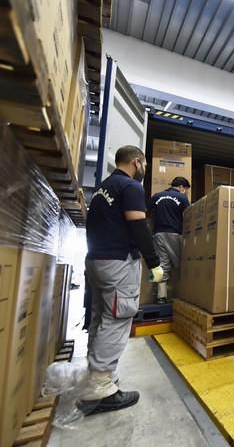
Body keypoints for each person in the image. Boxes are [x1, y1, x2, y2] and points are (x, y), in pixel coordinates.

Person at [81, 145, 163, 415]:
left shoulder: (103, 188)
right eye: (145, 164)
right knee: (118, 319)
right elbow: (138, 226)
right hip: (117, 263)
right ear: (137, 162)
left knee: (101, 317)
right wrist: (154, 262)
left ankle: (96, 374)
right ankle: (99, 388)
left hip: (96, 261)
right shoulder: (131, 187)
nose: (144, 169)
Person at [147, 176, 191, 303]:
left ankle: (161, 296)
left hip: (158, 234)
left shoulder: (157, 196)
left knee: (162, 265)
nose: (185, 192)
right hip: (175, 234)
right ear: (181, 187)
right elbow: (189, 215)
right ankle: (184, 293)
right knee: (181, 263)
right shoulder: (182, 197)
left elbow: (146, 212)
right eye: (185, 189)